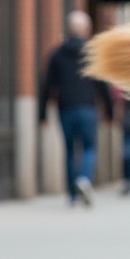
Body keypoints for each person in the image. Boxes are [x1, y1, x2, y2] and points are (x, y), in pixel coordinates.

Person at [39, 11, 111, 206]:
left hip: (65, 108)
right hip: (88, 107)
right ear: (86, 30)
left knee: (70, 150)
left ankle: (71, 194)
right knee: (88, 147)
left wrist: (42, 115)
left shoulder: (56, 53)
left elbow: (47, 85)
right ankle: (84, 179)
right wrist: (110, 112)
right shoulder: (93, 53)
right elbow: (103, 85)